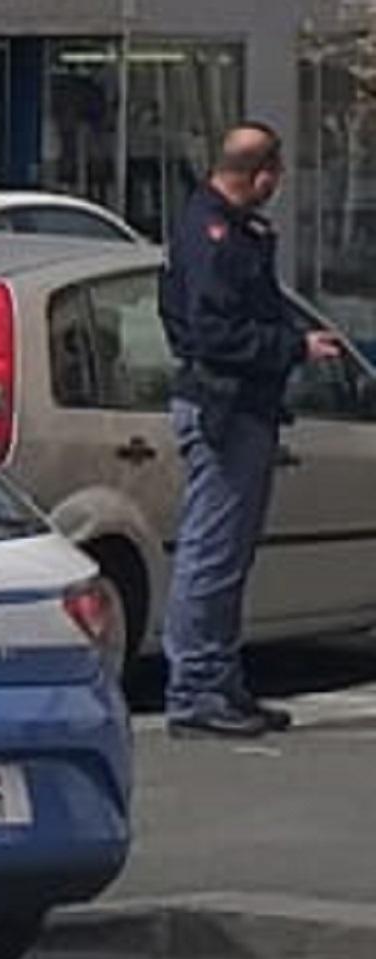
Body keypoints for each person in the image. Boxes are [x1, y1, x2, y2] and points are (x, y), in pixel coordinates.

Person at [158, 121, 342, 739]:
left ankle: (221, 682)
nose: (278, 187)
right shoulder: (213, 235)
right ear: (260, 175)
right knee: (211, 554)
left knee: (228, 554)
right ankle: (196, 690)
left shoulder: (225, 228)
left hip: (242, 407)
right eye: (276, 175)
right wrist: (293, 346)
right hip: (224, 407)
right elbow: (215, 332)